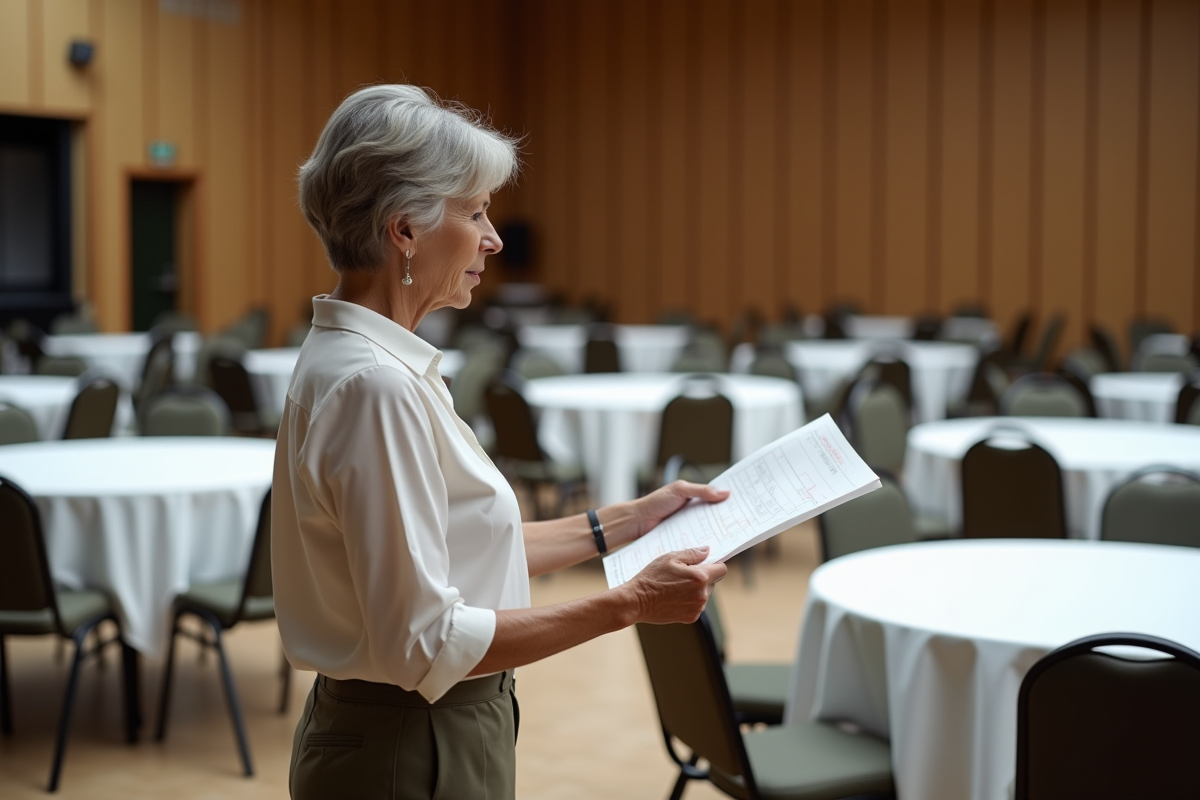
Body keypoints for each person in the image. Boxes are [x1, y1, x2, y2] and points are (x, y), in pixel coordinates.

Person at [273, 84, 730, 800]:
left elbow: (461, 551)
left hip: (418, 732)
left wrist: (625, 523)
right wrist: (631, 604)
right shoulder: (375, 387)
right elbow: (424, 643)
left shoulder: (368, 364)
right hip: (412, 746)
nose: (494, 237)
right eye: (477, 211)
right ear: (405, 231)